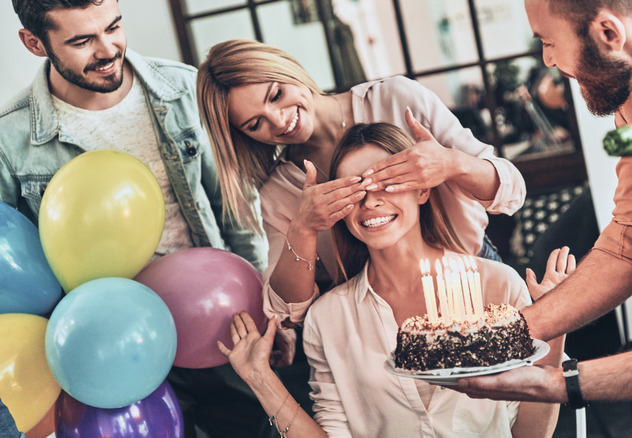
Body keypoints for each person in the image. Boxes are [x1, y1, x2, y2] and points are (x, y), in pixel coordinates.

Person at [0, 1, 271, 437]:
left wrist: (264, 309)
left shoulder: (184, 89)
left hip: (217, 323)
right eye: (82, 40)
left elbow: (236, 210)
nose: (108, 49)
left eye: (113, 27)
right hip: (110, 351)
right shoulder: (9, 141)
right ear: (34, 43)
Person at [218, 122, 572, 437]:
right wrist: (259, 377)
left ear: (422, 190)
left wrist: (553, 330)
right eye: (355, 189)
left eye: (386, 182)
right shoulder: (329, 319)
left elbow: (530, 433)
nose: (370, 201)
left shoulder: (498, 286)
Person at [452, 0, 632, 405]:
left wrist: (557, 384)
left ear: (608, 33)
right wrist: (509, 335)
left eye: (549, 42)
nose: (548, 60)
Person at [196, 40, 527, 335]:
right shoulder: (280, 191)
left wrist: (452, 164)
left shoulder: (398, 100)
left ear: (288, 70)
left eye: (277, 95)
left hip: (473, 281)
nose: (279, 121)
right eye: (255, 124)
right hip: (382, 321)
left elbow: (511, 189)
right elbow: (286, 311)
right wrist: (304, 227)